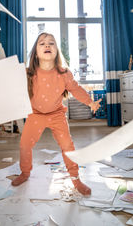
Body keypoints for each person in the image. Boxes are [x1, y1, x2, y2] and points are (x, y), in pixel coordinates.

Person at [11, 32, 101, 195]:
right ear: (35, 52)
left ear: (57, 51)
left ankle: (75, 178)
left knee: (68, 146)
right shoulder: (28, 73)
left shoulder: (64, 73)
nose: (47, 45)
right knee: (25, 145)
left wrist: (90, 102)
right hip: (35, 115)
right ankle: (25, 172)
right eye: (42, 43)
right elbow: (12, 88)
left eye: (51, 43)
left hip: (57, 115)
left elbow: (76, 89)